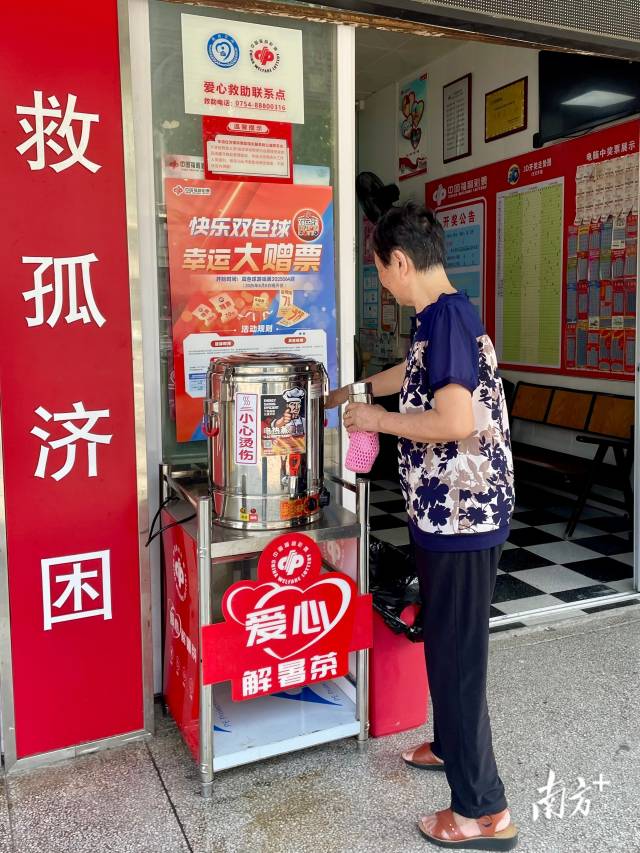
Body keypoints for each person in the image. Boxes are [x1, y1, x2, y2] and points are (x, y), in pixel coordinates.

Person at [325, 201, 518, 851]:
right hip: (445, 517)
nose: (382, 283)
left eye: (381, 271)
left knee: (459, 659)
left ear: (401, 262)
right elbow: (408, 373)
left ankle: (483, 812)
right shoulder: (436, 320)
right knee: (444, 642)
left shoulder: (450, 321)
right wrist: (353, 392)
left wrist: (376, 421)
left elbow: (455, 420)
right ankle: (451, 744)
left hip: (464, 520)